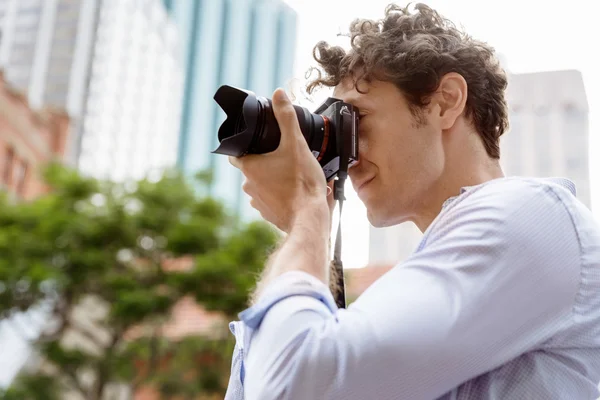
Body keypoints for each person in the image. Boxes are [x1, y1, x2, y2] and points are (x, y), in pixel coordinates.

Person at [225, 3, 600, 399]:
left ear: (445, 102)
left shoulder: (530, 215)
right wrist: (307, 220)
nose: (348, 155)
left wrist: (306, 211)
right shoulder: (429, 275)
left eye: (356, 120)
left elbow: (298, 384)